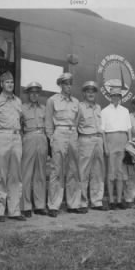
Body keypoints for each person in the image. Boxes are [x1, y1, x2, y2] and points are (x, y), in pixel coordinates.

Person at [0, 71, 26, 222]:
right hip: (1, 136)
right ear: (1, 84)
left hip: (16, 137)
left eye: (11, 82)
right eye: (7, 82)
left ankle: (14, 210)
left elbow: (22, 120)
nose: (10, 84)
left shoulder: (18, 101)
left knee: (15, 175)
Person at [45, 72, 82, 217]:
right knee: (56, 170)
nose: (68, 86)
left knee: (73, 170)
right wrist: (51, 138)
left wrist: (74, 134)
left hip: (72, 133)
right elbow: (48, 122)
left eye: (70, 83)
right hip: (59, 133)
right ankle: (54, 205)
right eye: (65, 83)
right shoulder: (52, 100)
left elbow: (77, 121)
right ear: (60, 85)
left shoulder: (76, 102)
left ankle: (73, 204)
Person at [77, 81, 107, 212]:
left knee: (98, 172)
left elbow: (102, 127)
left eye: (93, 91)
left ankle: (97, 201)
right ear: (84, 93)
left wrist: (104, 144)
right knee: (83, 172)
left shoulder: (98, 107)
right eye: (88, 91)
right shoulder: (79, 107)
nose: (90, 94)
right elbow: (75, 125)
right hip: (85, 140)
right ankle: (82, 202)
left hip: (98, 140)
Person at [101, 86, 132, 210]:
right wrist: (105, 146)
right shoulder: (104, 111)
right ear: (110, 96)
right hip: (110, 139)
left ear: (120, 97)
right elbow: (102, 131)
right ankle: (111, 200)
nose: (116, 97)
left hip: (123, 140)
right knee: (111, 172)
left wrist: (129, 143)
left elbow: (129, 128)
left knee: (121, 172)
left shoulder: (125, 110)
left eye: (118, 96)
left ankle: (119, 200)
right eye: (113, 95)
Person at [21, 81, 48, 217]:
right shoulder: (22, 108)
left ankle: (39, 205)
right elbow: (19, 127)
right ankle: (25, 206)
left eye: (36, 92)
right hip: (29, 137)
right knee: (26, 173)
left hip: (42, 138)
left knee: (41, 173)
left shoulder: (44, 109)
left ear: (39, 94)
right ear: (28, 94)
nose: (34, 95)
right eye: (31, 92)